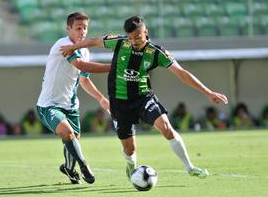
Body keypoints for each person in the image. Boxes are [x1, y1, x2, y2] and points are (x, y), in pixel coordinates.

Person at [61, 15, 228, 180]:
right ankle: (131, 167)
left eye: (138, 37)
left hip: (143, 98)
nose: (134, 41)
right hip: (119, 103)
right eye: (131, 37)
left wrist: (208, 92)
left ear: (145, 32)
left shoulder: (156, 52)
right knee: (130, 150)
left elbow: (182, 73)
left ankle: (190, 167)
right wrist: (73, 48)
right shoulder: (120, 42)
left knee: (167, 128)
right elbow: (93, 41)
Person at [36, 12, 110, 185]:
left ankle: (69, 168)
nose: (82, 31)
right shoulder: (63, 45)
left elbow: (84, 79)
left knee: (72, 139)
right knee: (67, 132)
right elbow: (81, 65)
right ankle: (84, 165)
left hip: (71, 106)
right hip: (49, 105)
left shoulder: (84, 50)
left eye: (85, 28)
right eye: (78, 28)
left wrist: (101, 99)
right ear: (68, 28)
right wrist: (113, 67)